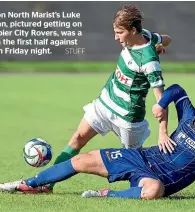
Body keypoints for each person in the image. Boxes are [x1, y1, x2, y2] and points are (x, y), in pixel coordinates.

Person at [0, 84, 195, 199]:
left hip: (158, 179)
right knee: (81, 159)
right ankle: (29, 184)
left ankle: (107, 195)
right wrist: (161, 106)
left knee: (154, 191)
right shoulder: (189, 117)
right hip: (141, 157)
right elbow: (177, 90)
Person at [45, 4, 173, 191]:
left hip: (128, 117)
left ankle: (149, 186)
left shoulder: (149, 61)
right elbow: (167, 38)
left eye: (120, 32)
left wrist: (162, 132)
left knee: (133, 161)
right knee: (77, 138)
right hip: (105, 103)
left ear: (133, 30)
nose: (116, 37)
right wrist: (160, 43)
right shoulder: (146, 34)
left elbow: (161, 100)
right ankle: (47, 183)